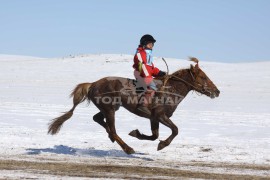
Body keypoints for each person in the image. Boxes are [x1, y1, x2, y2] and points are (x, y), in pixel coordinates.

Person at [133, 34, 166, 114]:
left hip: (146, 74)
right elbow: (143, 66)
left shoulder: (148, 55)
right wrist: (147, 77)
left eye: (152, 45)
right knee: (153, 86)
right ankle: (143, 105)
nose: (152, 46)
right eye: (150, 44)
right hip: (141, 74)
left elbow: (151, 68)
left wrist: (159, 73)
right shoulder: (140, 53)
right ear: (144, 44)